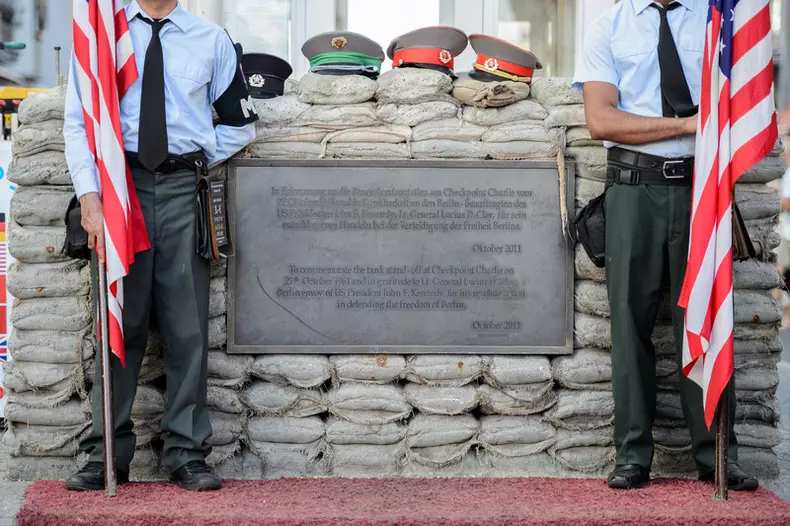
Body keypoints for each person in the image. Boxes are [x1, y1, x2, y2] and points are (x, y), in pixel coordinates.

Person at [63, 0, 257, 491]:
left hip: (179, 193)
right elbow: (78, 124)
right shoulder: (103, 35)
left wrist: (192, 157)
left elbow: (239, 123)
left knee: (187, 328)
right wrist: (90, 198)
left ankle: (187, 454)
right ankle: (107, 454)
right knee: (117, 326)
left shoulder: (210, 40)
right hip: (117, 189)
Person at [572, 0, 758, 491]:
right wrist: (686, 125)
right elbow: (602, 121)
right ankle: (633, 455)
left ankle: (716, 456)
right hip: (633, 190)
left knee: (706, 318)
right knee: (630, 323)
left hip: (702, 191)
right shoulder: (609, 25)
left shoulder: (716, 19)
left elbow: (740, 100)